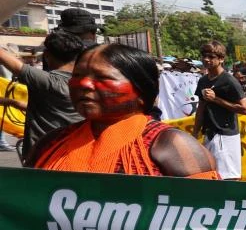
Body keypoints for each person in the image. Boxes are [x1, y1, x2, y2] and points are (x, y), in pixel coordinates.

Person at [30, 44, 217, 178]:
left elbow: (208, 213)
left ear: (141, 91)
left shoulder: (172, 144)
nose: (84, 84)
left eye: (102, 77)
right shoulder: (51, 143)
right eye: (77, 76)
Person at [0, 31, 85, 164]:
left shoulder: (48, 81)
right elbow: (53, 111)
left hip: (45, 157)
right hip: (75, 153)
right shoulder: (84, 82)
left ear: (47, 55)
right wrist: (12, 102)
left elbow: (5, 57)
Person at [193, 40, 246, 180]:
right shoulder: (203, 81)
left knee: (228, 177)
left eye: (211, 57)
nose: (206, 59)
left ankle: (230, 202)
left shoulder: (229, 81)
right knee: (210, 175)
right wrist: (194, 134)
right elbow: (201, 108)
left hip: (226, 135)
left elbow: (245, 109)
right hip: (209, 134)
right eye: (204, 56)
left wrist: (216, 99)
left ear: (221, 59)